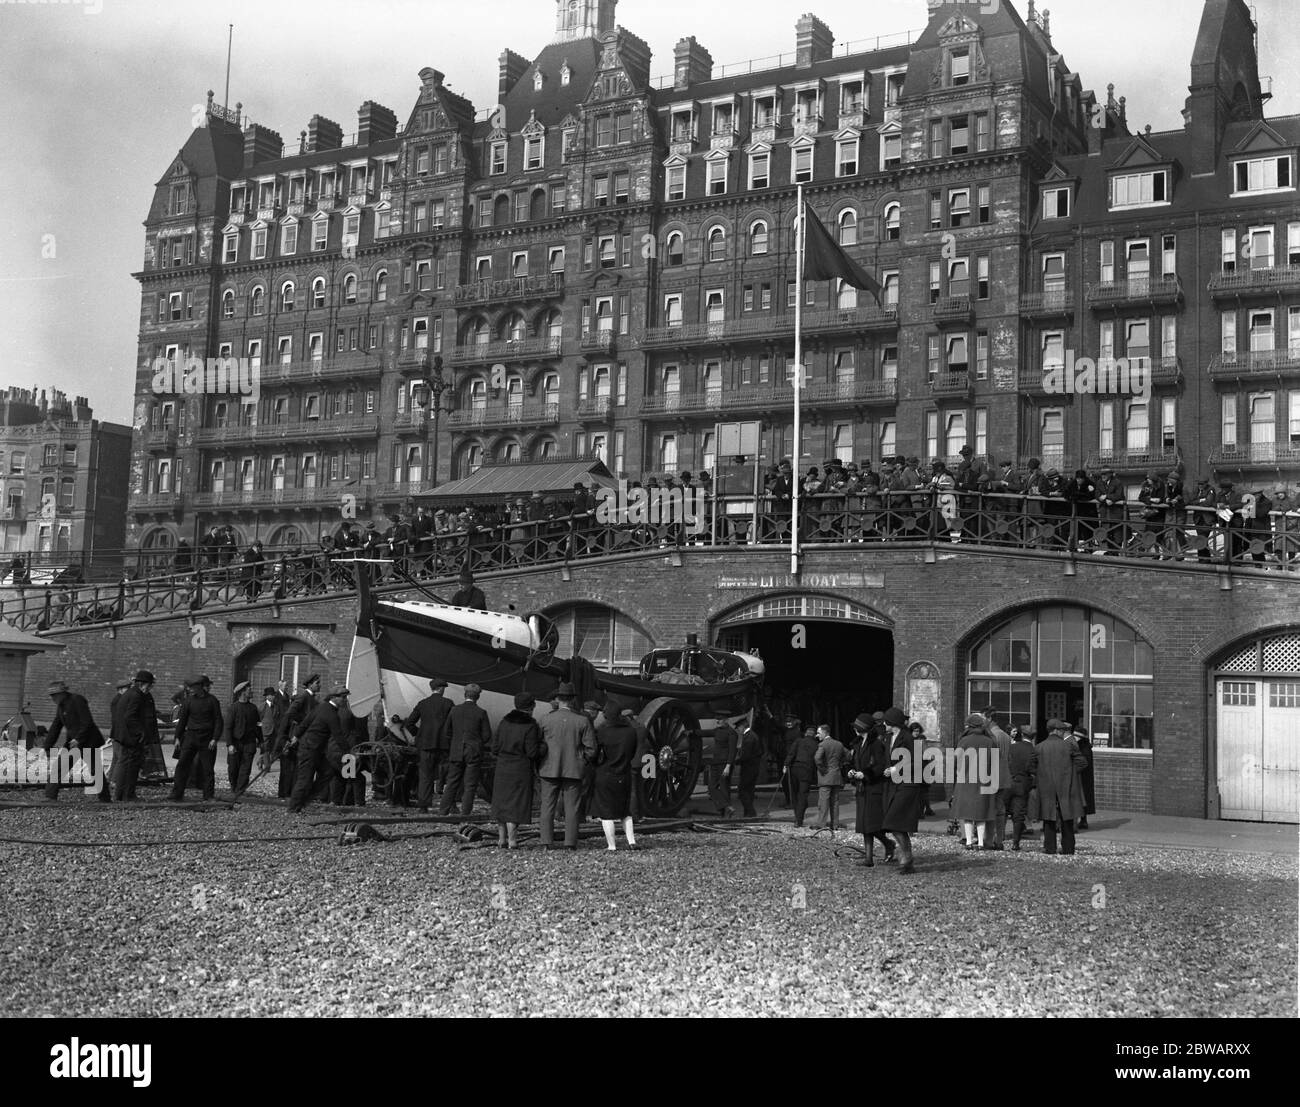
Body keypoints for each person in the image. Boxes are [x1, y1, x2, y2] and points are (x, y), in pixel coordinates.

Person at [537, 681, 597, 850]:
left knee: (547, 806)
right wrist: (581, 760)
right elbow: (591, 749)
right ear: (572, 700)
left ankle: (546, 842)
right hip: (573, 768)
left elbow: (538, 746)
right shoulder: (582, 721)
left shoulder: (545, 719)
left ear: (557, 699)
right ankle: (570, 842)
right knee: (572, 808)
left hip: (549, 768)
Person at [1027, 719, 1088, 855]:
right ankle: (1068, 848)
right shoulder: (1069, 746)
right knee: (1067, 818)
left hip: (1046, 786)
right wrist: (1070, 773)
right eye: (1061, 730)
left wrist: (1042, 775)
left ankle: (1050, 848)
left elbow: (1030, 767)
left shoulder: (1039, 747)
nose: (1062, 732)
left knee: (1049, 818)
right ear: (1055, 730)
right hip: (1066, 786)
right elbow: (1082, 763)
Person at [490, 692, 543, 849]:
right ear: (532, 706)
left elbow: (494, 747)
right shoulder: (530, 725)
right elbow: (532, 752)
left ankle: (501, 839)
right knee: (516, 803)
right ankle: (513, 840)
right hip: (520, 768)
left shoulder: (504, 722)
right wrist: (543, 747)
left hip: (502, 767)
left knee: (501, 802)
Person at [288, 688, 350, 813]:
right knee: (304, 779)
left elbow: (305, 722)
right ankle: (293, 808)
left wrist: (296, 736)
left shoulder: (321, 707)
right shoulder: (331, 714)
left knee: (328, 772)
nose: (345, 700)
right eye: (343, 697)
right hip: (310, 749)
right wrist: (349, 752)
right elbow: (338, 736)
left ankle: (306, 800)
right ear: (334, 697)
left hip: (316, 749)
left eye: (345, 697)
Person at [44, 680, 107, 802]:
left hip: (88, 741)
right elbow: (56, 726)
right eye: (51, 696)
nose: (53, 698)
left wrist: (79, 739)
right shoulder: (61, 706)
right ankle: (50, 796)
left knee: (95, 770)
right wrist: (47, 745)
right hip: (73, 743)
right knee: (60, 767)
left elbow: (87, 722)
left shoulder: (77, 700)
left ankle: (105, 798)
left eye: (55, 695)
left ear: (62, 693)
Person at [592, 701, 640, 851]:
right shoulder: (631, 732)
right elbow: (632, 752)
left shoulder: (602, 731)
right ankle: (632, 841)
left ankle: (612, 845)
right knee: (625, 811)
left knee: (606, 812)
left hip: (605, 773)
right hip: (624, 773)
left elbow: (594, 753)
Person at [439, 683, 493, 817]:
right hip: (473, 751)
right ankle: (465, 813)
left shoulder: (454, 710)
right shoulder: (481, 712)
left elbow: (446, 731)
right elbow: (487, 736)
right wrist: (476, 742)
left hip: (456, 750)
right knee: (470, 784)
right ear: (478, 697)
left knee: (451, 782)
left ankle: (442, 811)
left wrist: (455, 742)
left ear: (465, 695)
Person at [847, 714, 894, 866]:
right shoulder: (858, 743)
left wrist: (866, 774)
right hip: (862, 788)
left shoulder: (875, 744)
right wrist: (851, 771)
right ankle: (869, 858)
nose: (854, 729)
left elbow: (880, 765)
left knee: (872, 824)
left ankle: (887, 844)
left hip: (873, 788)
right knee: (864, 825)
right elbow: (853, 763)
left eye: (856, 726)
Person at [881, 707, 922, 874]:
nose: (884, 724)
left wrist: (895, 769)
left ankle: (906, 858)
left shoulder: (908, 738)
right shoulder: (889, 738)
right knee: (897, 824)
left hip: (907, 785)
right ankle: (907, 859)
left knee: (894, 821)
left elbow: (917, 761)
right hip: (893, 785)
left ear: (892, 723)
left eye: (886, 721)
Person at [171, 675, 223, 802]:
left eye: (194, 687)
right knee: (182, 764)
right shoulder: (188, 701)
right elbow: (182, 720)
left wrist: (215, 739)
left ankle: (208, 795)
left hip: (207, 738)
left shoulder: (212, 701)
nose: (191, 689)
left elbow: (218, 721)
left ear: (200, 687)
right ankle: (177, 793)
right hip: (191, 736)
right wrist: (177, 737)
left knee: (207, 768)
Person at [951, 713, 997, 850]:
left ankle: (969, 842)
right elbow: (995, 763)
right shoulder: (990, 741)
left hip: (965, 781)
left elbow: (955, 761)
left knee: (967, 814)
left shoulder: (963, 741)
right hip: (984, 781)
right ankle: (982, 843)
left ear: (969, 725)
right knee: (981, 814)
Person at [406, 678, 453, 812]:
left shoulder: (422, 704)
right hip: (444, 746)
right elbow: (452, 724)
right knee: (448, 776)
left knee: (425, 776)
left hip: (425, 745)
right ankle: (449, 805)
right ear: (441, 689)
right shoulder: (448, 703)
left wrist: (419, 734)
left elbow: (409, 723)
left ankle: (423, 806)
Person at [111, 671, 158, 801]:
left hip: (125, 735)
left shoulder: (130, 694)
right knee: (131, 766)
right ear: (142, 684)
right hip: (131, 737)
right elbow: (130, 717)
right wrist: (140, 732)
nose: (150, 688)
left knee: (126, 765)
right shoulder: (136, 696)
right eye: (149, 685)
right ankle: (128, 794)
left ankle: (120, 795)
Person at [274, 674, 320, 799]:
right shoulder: (303, 696)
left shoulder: (313, 699)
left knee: (297, 769)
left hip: (304, 737)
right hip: (296, 737)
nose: (319, 685)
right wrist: (304, 722)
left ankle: (292, 794)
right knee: (289, 768)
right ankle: (284, 794)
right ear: (310, 685)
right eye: (317, 683)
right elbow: (290, 713)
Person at [982, 706, 1013, 849]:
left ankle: (989, 840)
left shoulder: (991, 736)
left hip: (992, 776)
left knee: (990, 809)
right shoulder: (1006, 736)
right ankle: (999, 839)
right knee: (1000, 809)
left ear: (989, 718)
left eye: (983, 717)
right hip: (1004, 776)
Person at [224, 681, 262, 793]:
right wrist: (230, 744)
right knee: (233, 768)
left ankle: (240, 791)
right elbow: (228, 728)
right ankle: (234, 788)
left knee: (245, 769)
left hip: (249, 743)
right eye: (249, 690)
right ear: (242, 693)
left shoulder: (253, 708)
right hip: (236, 743)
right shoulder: (233, 708)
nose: (251, 691)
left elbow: (258, 726)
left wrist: (261, 742)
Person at [812, 723, 846, 832]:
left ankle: (821, 824)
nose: (817, 735)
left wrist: (822, 769)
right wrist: (840, 764)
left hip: (825, 777)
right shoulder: (839, 744)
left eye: (818, 733)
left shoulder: (822, 745)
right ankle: (834, 824)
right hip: (836, 775)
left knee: (823, 802)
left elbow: (817, 758)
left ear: (824, 733)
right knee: (835, 801)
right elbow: (848, 755)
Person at [783, 725, 818, 827]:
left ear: (806, 733)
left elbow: (791, 753)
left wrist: (785, 765)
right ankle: (799, 820)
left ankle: (797, 816)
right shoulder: (816, 745)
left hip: (795, 769)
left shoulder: (798, 741)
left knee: (794, 794)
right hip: (807, 771)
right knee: (803, 795)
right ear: (814, 735)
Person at [1007, 726, 1036, 850]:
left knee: (1002, 811)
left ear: (1022, 735)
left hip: (1008, 782)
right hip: (1022, 784)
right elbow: (1032, 769)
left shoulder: (1012, 747)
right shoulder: (1033, 750)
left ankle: (998, 840)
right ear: (1033, 737)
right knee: (1019, 814)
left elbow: (1006, 763)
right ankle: (1015, 843)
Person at [705, 711, 737, 817]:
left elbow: (732, 751)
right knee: (711, 787)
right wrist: (692, 732)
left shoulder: (731, 733)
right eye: (717, 720)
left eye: (720, 720)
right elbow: (705, 733)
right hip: (715, 763)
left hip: (724, 764)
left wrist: (728, 766)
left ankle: (724, 813)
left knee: (724, 788)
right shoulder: (717, 731)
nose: (717, 721)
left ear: (726, 720)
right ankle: (727, 807)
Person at [735, 718, 763, 817]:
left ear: (743, 726)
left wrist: (735, 761)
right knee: (749, 791)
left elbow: (746, 755)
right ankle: (747, 813)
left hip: (748, 768)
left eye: (738, 728)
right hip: (753, 768)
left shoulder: (749, 737)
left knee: (742, 791)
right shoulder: (751, 735)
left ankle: (751, 812)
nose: (738, 730)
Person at [1072, 723, 1095, 829]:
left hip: (1082, 777)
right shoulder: (1086, 747)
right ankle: (1083, 820)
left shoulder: (1083, 749)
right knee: (1084, 799)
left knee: (1082, 798)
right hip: (1084, 777)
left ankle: (1082, 820)